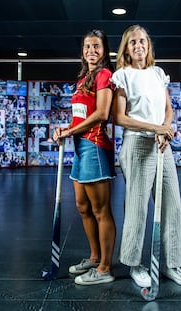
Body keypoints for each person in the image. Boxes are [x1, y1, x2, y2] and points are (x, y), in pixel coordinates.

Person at [111, 24, 181, 288]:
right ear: (126, 47)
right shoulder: (122, 76)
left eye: (143, 41)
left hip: (162, 145)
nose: (139, 45)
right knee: (137, 208)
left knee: (174, 205)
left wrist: (165, 129)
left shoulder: (158, 73)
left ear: (149, 45)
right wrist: (155, 128)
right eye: (133, 42)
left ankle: (172, 265)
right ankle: (135, 265)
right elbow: (120, 117)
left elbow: (168, 110)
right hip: (137, 146)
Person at [53, 29, 116, 285]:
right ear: (82, 51)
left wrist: (71, 130)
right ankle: (93, 257)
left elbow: (101, 114)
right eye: (87, 46)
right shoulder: (83, 79)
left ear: (104, 50)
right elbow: (78, 117)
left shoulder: (104, 75)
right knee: (82, 206)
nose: (92, 50)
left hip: (95, 146)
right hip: (79, 146)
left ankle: (105, 268)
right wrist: (63, 130)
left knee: (101, 210)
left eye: (97, 46)